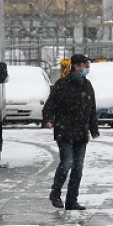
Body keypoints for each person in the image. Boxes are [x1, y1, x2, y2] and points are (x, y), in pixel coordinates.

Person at [42, 54, 98, 210]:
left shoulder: (87, 86)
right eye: (84, 65)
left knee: (78, 168)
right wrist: (49, 119)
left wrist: (93, 129)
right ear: (76, 66)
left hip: (81, 133)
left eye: (87, 65)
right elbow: (50, 105)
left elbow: (92, 109)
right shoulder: (62, 85)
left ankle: (72, 200)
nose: (87, 68)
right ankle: (55, 193)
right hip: (65, 132)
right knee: (67, 163)